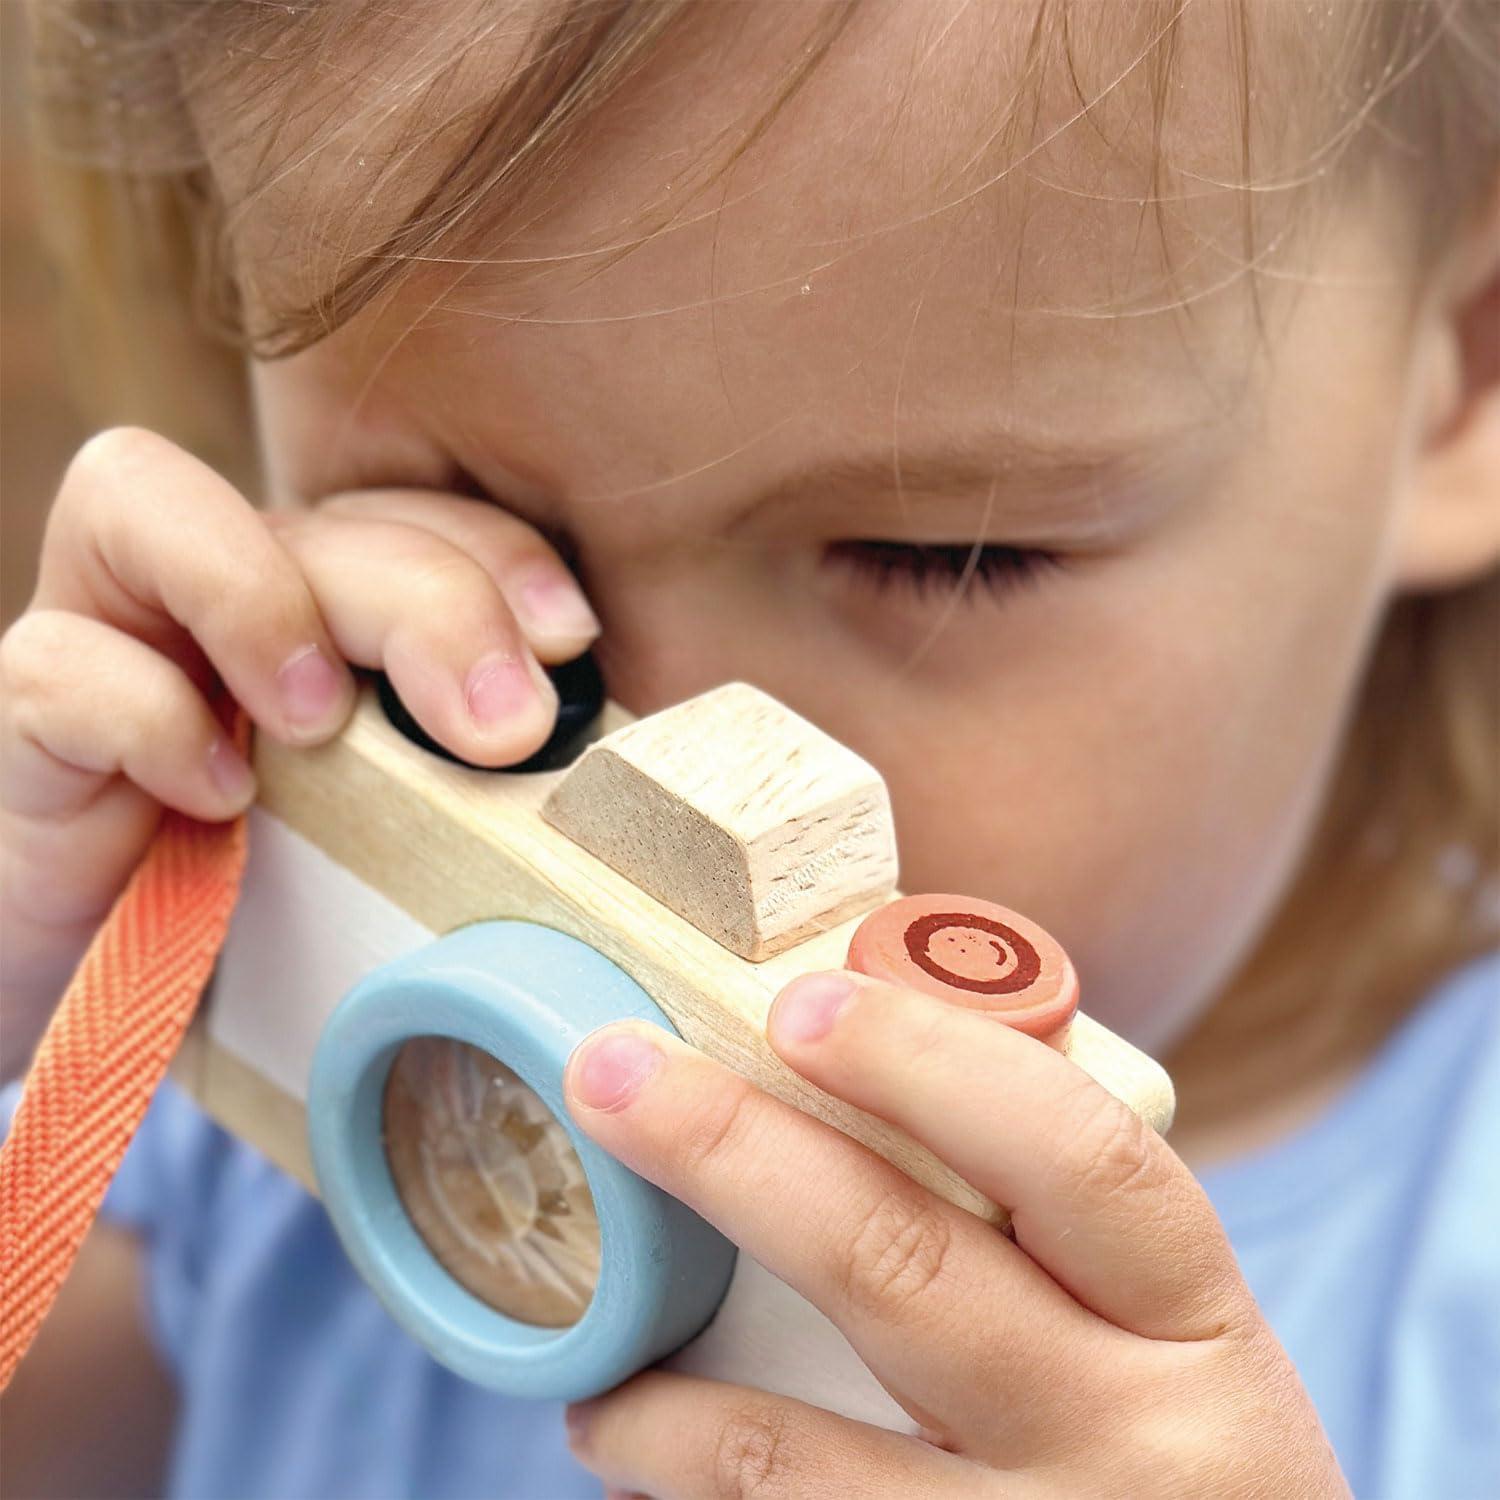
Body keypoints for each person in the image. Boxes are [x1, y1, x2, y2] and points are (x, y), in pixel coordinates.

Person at [3, 2, 1497, 1496]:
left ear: (1469, 367)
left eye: (941, 559)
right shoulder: (243, 1000)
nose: (687, 771)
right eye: (476, 517)